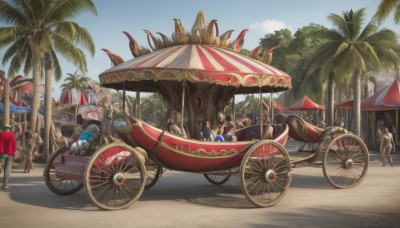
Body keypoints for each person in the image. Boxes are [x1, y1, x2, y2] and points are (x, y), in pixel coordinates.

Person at [0, 125, 17, 189]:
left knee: (1, 165)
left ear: (3, 128)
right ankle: (5, 185)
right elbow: (14, 144)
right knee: (7, 169)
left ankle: (0, 165)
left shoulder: (0, 134)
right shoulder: (11, 135)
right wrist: (14, 153)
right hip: (10, 154)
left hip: (1, 154)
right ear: (9, 129)